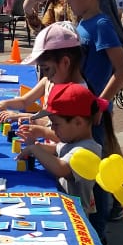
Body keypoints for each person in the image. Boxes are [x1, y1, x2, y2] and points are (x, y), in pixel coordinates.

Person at [55, 0, 123, 240]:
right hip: (81, 111)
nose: (68, 0)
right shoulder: (83, 23)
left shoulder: (101, 24)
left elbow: (122, 69)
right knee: (83, 169)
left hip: (93, 115)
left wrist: (101, 103)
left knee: (94, 176)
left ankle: (99, 235)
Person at [18, 83, 107, 222]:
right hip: (64, 208)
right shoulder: (72, 141)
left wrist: (35, 149)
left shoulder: (88, 149)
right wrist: (34, 145)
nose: (52, 128)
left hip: (76, 216)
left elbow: (61, 168)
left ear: (78, 122)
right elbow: (56, 149)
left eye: (56, 124)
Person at [0, 22, 84, 129]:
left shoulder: (77, 96)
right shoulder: (48, 81)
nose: (46, 75)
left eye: (47, 69)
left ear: (65, 63)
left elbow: (58, 128)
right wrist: (5, 103)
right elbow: (24, 101)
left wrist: (24, 117)